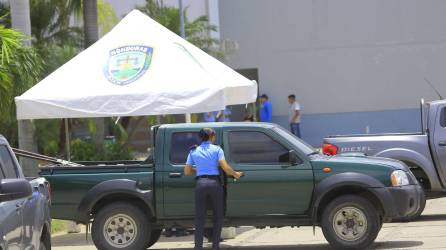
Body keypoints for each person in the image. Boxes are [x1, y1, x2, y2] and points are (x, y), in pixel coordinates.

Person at [184, 128, 243, 250]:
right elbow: (226, 168)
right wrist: (236, 174)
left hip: (200, 184)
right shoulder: (217, 149)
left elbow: (187, 171)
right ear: (211, 136)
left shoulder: (193, 151)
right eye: (214, 135)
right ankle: (215, 246)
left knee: (200, 218)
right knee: (218, 217)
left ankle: (198, 247)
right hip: (214, 184)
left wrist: (200, 170)